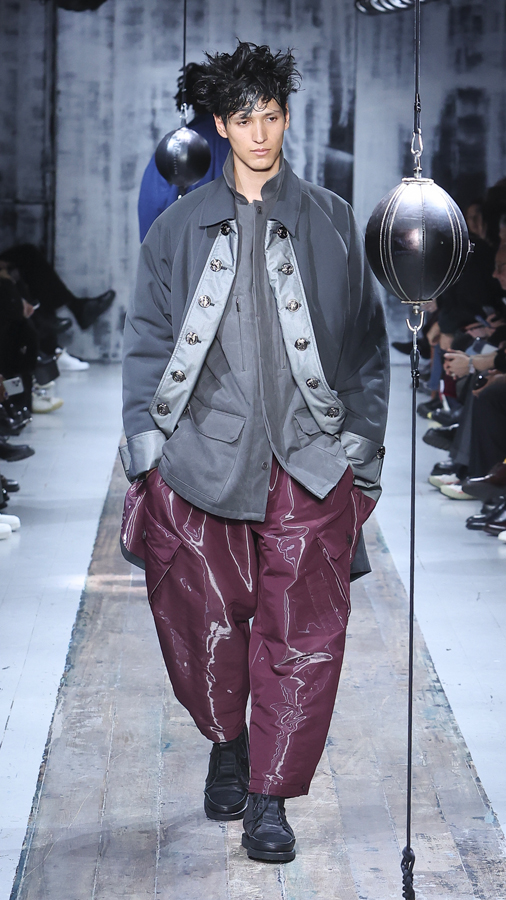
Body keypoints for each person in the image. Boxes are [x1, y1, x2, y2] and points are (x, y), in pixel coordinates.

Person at [122, 41, 389, 863]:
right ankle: (227, 744)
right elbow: (146, 344)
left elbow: (367, 346)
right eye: (246, 120)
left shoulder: (332, 220)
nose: (262, 134)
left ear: (286, 117)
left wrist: (359, 456)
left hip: (308, 460)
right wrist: (148, 458)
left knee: (304, 635)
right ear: (220, 125)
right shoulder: (176, 229)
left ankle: (270, 796)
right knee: (206, 625)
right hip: (203, 460)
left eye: (272, 116)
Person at [138, 63, 230, 242]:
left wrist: (153, 253)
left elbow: (151, 204)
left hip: (185, 249)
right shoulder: (243, 144)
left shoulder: (172, 147)